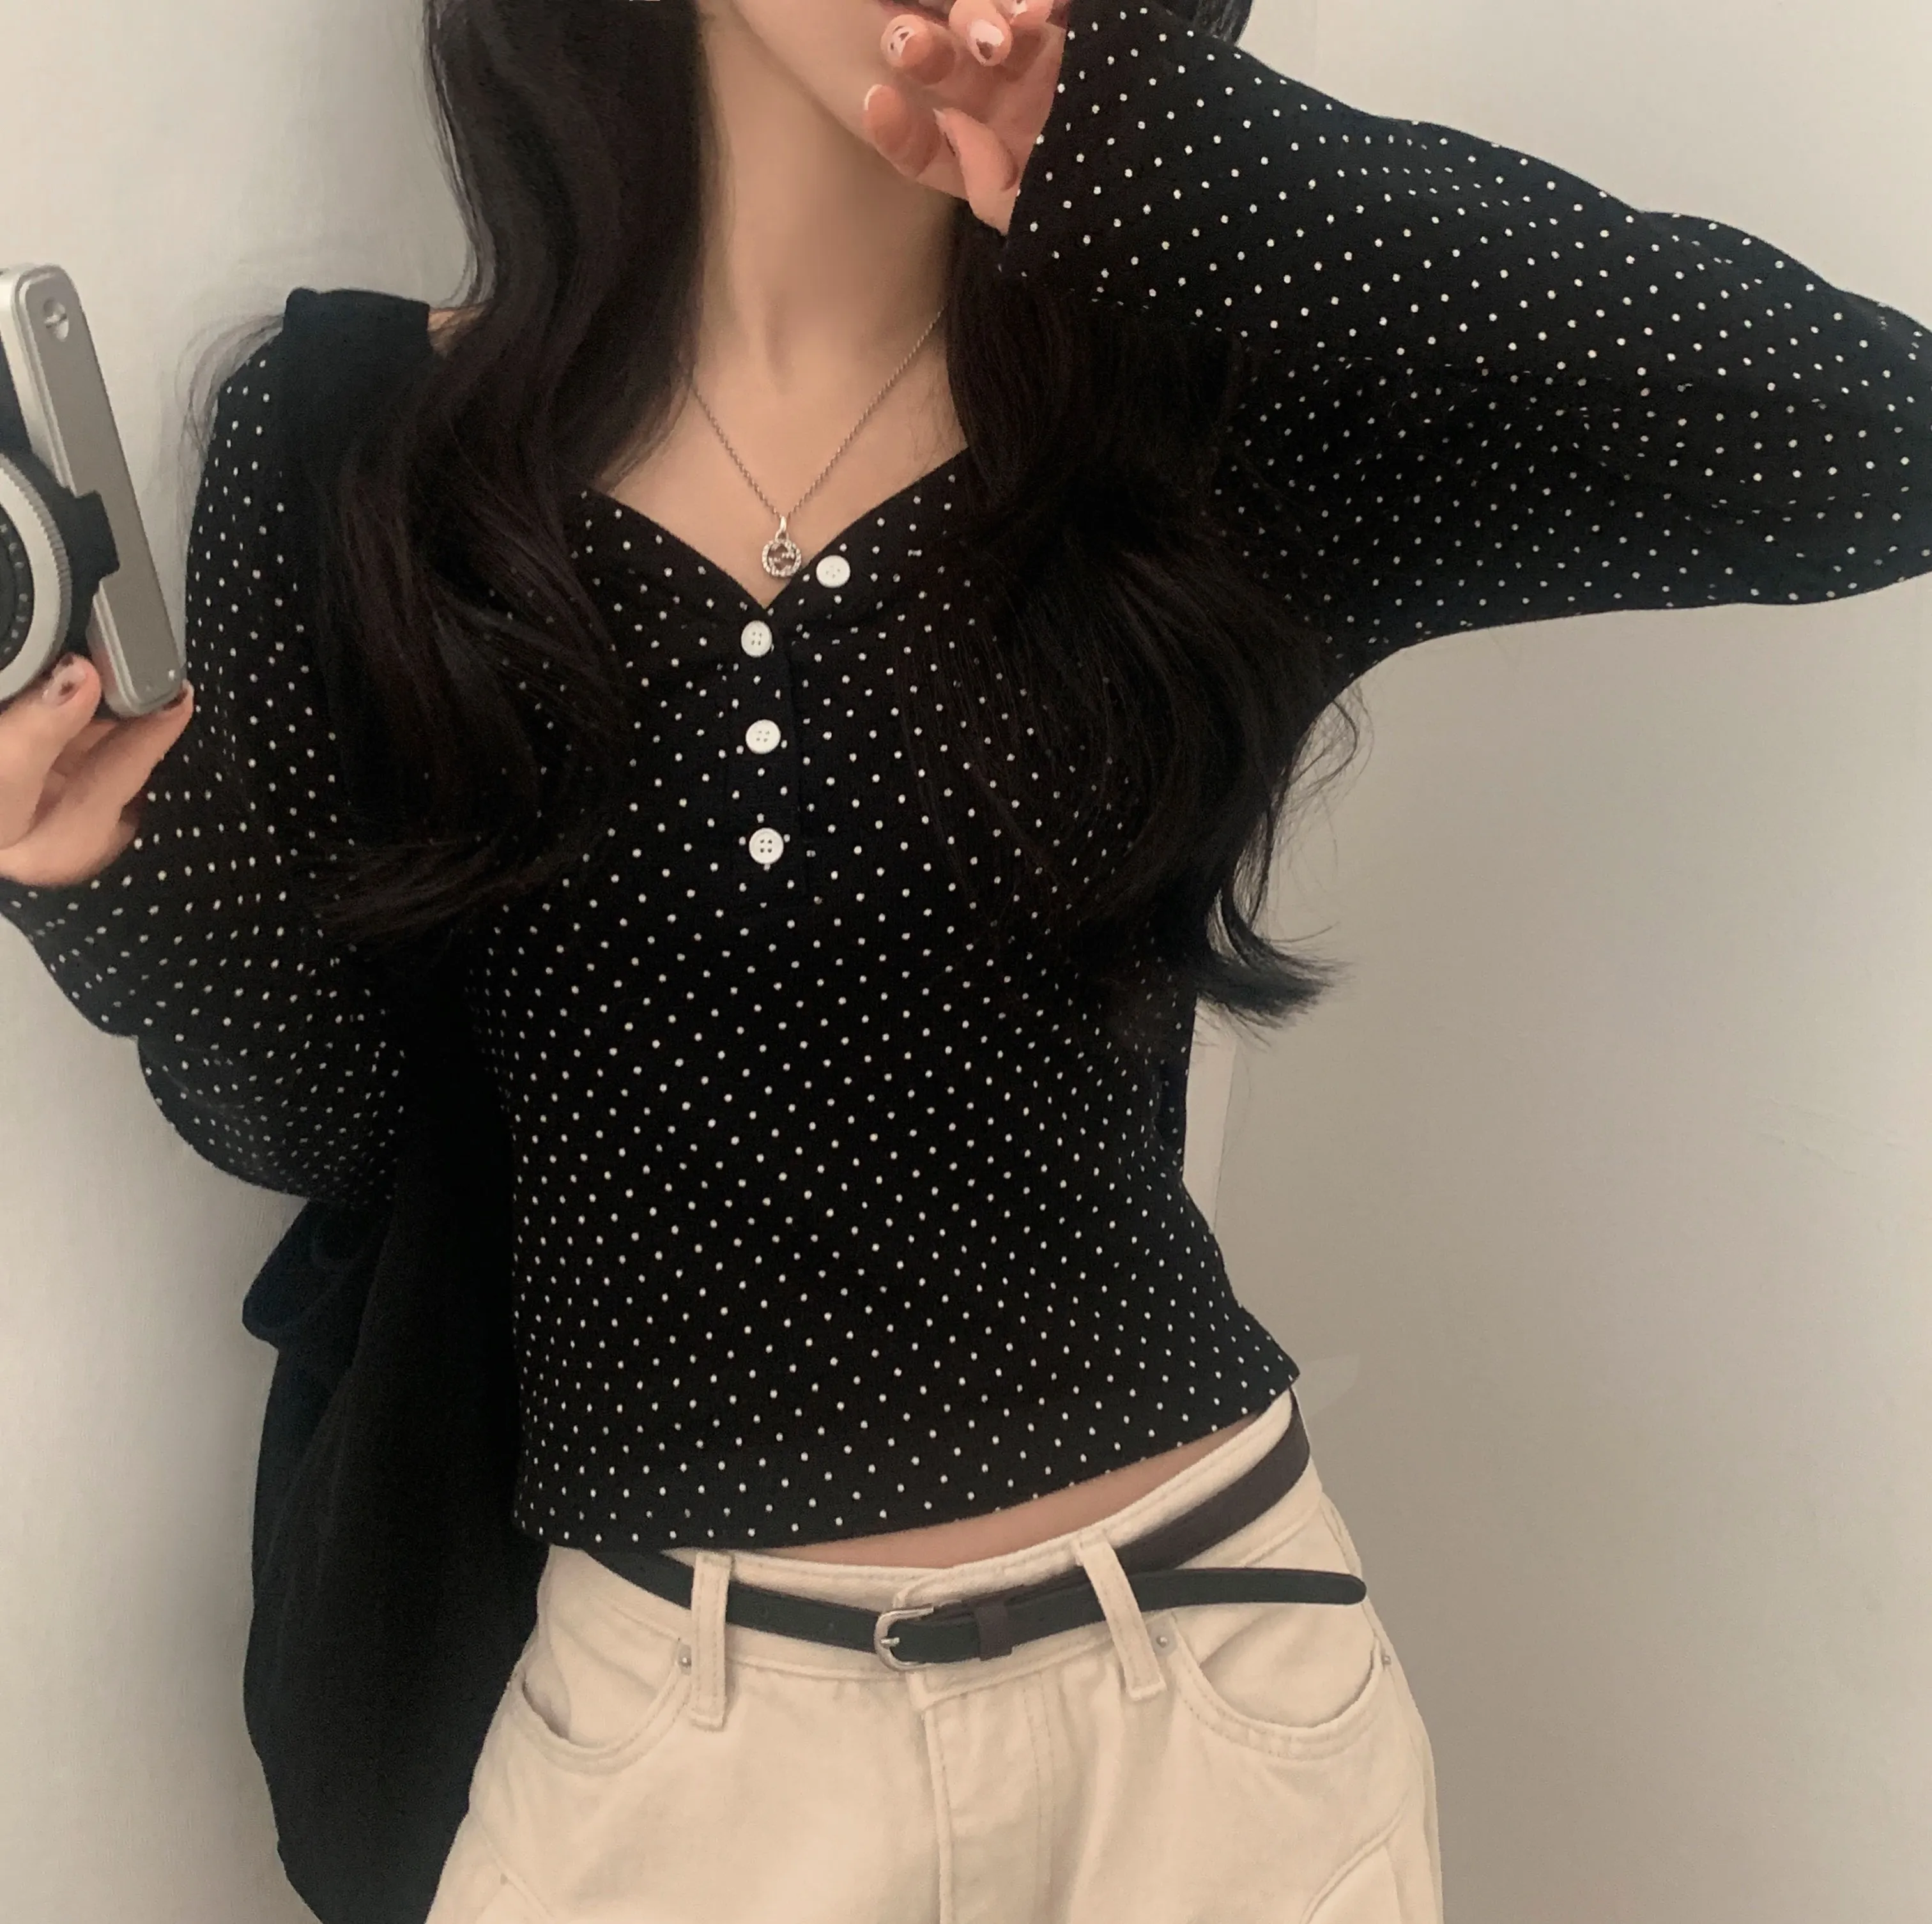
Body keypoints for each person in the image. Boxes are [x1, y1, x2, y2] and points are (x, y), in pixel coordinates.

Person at [3, 1, 1928, 1918]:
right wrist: (109, 879)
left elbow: (1882, 446)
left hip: (1216, 1710)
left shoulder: (1200, 416)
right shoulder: (361, 448)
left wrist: (1168, 157)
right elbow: (334, 1126)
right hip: (669, 1749)